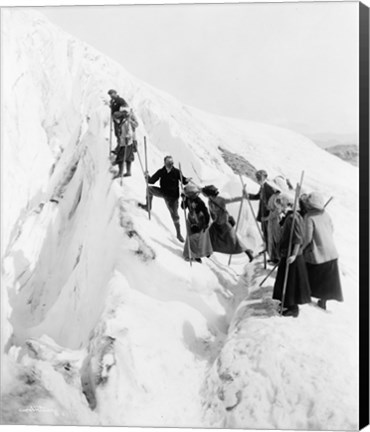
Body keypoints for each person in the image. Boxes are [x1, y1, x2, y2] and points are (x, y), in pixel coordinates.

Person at [301, 192, 343, 310]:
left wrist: (301, 248)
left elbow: (307, 238)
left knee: (310, 272)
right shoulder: (326, 214)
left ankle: (306, 295)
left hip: (319, 252)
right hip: (331, 251)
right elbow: (332, 229)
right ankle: (323, 301)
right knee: (326, 278)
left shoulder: (309, 217)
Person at [272, 193, 311, 317]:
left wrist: (294, 255)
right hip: (287, 254)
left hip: (292, 255)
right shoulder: (290, 216)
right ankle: (286, 303)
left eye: (280, 204)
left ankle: (293, 308)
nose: (278, 207)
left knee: (291, 282)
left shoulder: (293, 217)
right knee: (285, 279)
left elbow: (298, 239)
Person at [138, 156, 189, 242]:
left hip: (173, 198)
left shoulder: (177, 172)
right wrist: (147, 176)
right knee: (149, 189)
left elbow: (183, 181)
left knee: (175, 216)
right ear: (165, 163)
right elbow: (151, 181)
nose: (170, 165)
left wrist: (186, 180)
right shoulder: (161, 171)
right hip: (163, 192)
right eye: (168, 163)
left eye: (171, 163)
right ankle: (148, 207)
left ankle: (178, 233)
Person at [201, 185, 254, 262]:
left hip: (224, 222)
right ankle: (208, 251)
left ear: (209, 194)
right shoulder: (209, 200)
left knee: (233, 240)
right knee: (210, 235)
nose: (204, 195)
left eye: (205, 193)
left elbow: (232, 199)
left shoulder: (220, 199)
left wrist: (243, 197)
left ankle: (248, 253)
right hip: (216, 223)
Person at [246, 170, 279, 258]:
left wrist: (268, 216)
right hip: (263, 214)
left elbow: (274, 204)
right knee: (265, 233)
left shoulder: (269, 188)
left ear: (265, 177)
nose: (258, 179)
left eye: (259, 177)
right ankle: (268, 249)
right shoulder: (263, 187)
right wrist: (248, 196)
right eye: (257, 177)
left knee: (270, 235)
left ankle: (273, 255)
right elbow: (258, 196)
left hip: (268, 216)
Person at [181, 183, 213, 263]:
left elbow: (206, 213)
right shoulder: (188, 199)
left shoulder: (199, 202)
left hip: (200, 221)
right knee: (191, 237)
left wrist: (205, 224)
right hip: (191, 220)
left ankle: (198, 255)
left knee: (197, 238)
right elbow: (183, 207)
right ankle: (190, 254)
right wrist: (183, 200)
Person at [112, 108, 139, 179]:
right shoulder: (123, 122)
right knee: (128, 157)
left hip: (126, 143)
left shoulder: (125, 122)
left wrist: (127, 136)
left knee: (121, 157)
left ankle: (120, 173)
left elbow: (129, 131)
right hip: (126, 142)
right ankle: (128, 171)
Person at [265, 193, 283, 264]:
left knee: (277, 239)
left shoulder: (279, 196)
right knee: (271, 239)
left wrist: (266, 218)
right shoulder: (273, 195)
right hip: (271, 221)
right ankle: (273, 257)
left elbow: (278, 209)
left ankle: (278, 257)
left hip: (276, 221)